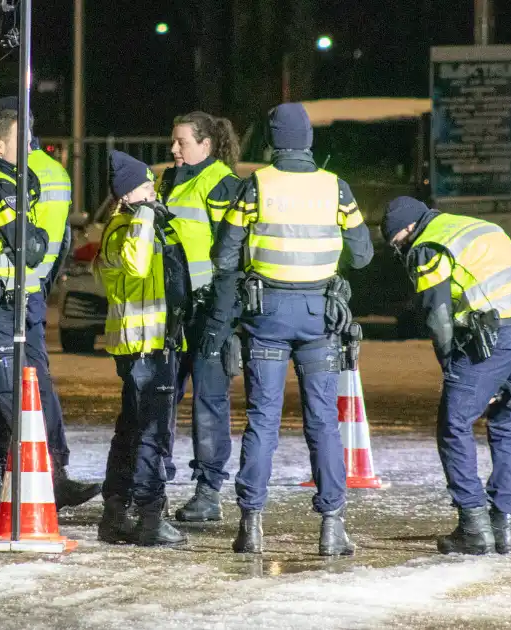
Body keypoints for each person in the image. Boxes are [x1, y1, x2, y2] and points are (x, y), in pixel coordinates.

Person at [204, 103, 373, 555]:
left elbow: (223, 254)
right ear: (309, 140)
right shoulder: (336, 188)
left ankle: (252, 524)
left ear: (274, 141)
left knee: (263, 419)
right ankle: (332, 527)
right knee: (323, 422)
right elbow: (362, 256)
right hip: (320, 316)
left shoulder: (255, 186)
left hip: (267, 316)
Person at [381, 196, 511, 555]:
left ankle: (474, 527)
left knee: (454, 423)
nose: (401, 251)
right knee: (507, 425)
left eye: (398, 242)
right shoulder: (477, 227)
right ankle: (504, 526)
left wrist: (453, 370)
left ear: (409, 228)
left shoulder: (428, 244)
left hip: (498, 338)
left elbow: (438, 316)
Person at [0, 100, 97, 521]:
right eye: (21, 137)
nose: (30, 143)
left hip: (8, 305)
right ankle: (33, 486)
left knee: (20, 396)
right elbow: (31, 246)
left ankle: (0, 487)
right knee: (15, 402)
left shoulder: (8, 181)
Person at [95, 150, 189, 547]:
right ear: (128, 193)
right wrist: (147, 214)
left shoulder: (137, 224)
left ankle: (117, 509)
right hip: (143, 347)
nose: (154, 192)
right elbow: (135, 264)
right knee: (151, 431)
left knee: (133, 428)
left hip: (153, 344)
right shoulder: (123, 229)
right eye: (146, 186)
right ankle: (150, 514)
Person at [157, 111, 242, 523]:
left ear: (205, 145)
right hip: (176, 313)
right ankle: (155, 480)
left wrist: (221, 320)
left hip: (210, 314)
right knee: (163, 397)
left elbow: (232, 260)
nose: (174, 149)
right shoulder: (173, 179)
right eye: (173, 142)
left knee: (209, 404)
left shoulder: (221, 184)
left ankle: (208, 493)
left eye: (182, 142)